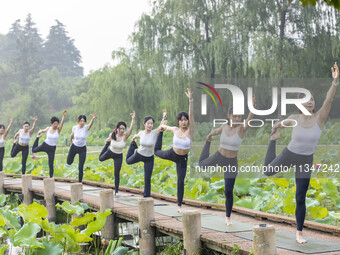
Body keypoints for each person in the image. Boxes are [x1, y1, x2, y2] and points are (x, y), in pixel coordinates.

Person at [264, 62, 339, 244]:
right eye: (306, 99)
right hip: (290, 154)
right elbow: (278, 124)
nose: (310, 101)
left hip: (306, 159)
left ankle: (299, 233)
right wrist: (275, 131)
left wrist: (335, 82)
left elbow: (328, 100)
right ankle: (272, 143)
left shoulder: (319, 118)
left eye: (312, 99)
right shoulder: (294, 118)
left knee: (300, 196)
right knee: (268, 171)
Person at [198, 96, 255, 225]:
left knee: (228, 191)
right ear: (229, 115)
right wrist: (210, 135)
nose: (237, 119)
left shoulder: (241, 128)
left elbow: (249, 119)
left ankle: (228, 218)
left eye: (239, 117)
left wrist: (253, 108)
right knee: (202, 165)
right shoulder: (224, 126)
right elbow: (216, 132)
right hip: (219, 156)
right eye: (235, 116)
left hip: (231, 162)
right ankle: (206, 144)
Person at [154, 88, 194, 212]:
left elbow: (191, 115)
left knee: (180, 180)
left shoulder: (190, 130)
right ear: (178, 121)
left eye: (185, 120)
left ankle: (179, 206)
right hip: (172, 153)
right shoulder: (175, 129)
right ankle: (159, 139)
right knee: (156, 152)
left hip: (182, 159)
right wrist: (162, 124)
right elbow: (162, 127)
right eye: (181, 120)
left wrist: (191, 100)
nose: (184, 122)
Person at [126, 111, 166, 197]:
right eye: (148, 123)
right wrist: (133, 139)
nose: (150, 125)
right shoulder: (141, 133)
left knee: (147, 178)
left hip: (149, 158)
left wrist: (164, 116)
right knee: (128, 161)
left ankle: (146, 197)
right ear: (144, 124)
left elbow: (161, 126)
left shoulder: (155, 133)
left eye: (151, 123)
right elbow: (136, 136)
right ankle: (133, 146)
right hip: (139, 154)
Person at [99, 111, 135, 195]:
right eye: (120, 128)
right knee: (100, 159)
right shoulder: (113, 135)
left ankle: (116, 191)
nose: (122, 130)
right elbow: (108, 138)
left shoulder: (125, 136)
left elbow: (131, 129)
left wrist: (133, 119)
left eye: (123, 128)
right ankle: (106, 145)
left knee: (117, 173)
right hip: (110, 151)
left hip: (118, 155)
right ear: (117, 129)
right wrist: (107, 142)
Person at [32, 110, 67, 177]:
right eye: (54, 124)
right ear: (52, 123)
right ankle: (37, 138)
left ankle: (51, 177)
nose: (56, 125)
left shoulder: (58, 130)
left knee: (51, 163)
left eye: (57, 124)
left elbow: (62, 123)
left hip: (52, 148)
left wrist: (63, 116)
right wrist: (39, 133)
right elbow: (42, 131)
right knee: (33, 150)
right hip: (45, 145)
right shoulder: (48, 128)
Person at [67, 114, 96, 182]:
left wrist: (92, 119)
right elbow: (71, 135)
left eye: (83, 121)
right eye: (81, 121)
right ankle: (70, 159)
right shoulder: (75, 127)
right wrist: (71, 141)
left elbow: (90, 125)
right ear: (79, 121)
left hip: (82, 149)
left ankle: (80, 182)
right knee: (69, 162)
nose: (82, 122)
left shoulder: (86, 128)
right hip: (74, 147)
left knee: (81, 166)